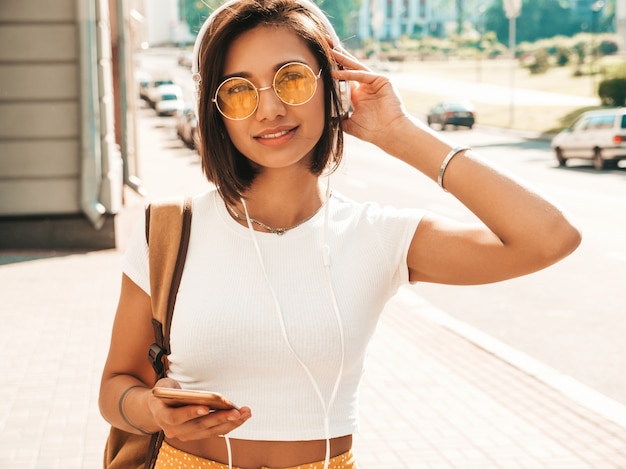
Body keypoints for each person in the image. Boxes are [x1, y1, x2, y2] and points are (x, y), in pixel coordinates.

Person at [99, 1, 582, 468]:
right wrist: (151, 411)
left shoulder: (378, 235)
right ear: (216, 109)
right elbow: (115, 387)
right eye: (240, 89)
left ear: (332, 86)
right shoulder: (165, 229)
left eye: (291, 80)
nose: (269, 108)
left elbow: (549, 238)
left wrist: (398, 132)